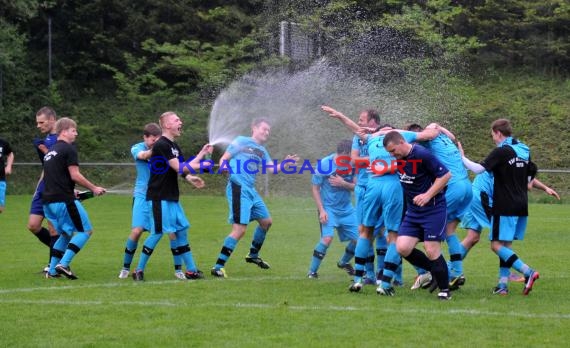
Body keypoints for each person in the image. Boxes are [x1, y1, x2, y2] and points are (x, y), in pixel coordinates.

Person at [459, 120, 551, 295]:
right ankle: (502, 286)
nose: (493, 139)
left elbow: (479, 169)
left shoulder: (502, 151)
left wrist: (461, 157)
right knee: (505, 246)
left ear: (498, 133)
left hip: (505, 204)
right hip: (521, 204)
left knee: (495, 245)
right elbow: (528, 179)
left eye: (493, 135)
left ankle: (528, 272)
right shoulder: (524, 150)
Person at [210, 118, 299, 278]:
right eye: (264, 129)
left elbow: (272, 169)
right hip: (238, 188)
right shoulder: (241, 141)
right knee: (239, 230)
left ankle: (252, 255)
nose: (266, 132)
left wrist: (284, 164)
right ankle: (218, 267)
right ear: (254, 128)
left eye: (268, 131)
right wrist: (224, 168)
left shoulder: (261, 150)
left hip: (251, 191)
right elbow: (224, 159)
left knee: (266, 222)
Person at [132, 111, 210, 281]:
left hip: (172, 197)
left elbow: (183, 168)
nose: (180, 122)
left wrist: (199, 160)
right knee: (157, 233)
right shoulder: (161, 144)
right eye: (177, 120)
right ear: (167, 125)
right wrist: (203, 164)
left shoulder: (174, 146)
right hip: (159, 197)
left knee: (181, 231)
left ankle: (191, 270)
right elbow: (179, 167)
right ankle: (138, 270)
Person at [383, 131, 452, 300]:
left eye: (393, 151)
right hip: (413, 212)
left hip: (433, 209)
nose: (392, 155)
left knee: (431, 248)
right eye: (389, 153)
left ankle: (445, 290)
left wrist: (428, 195)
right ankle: (434, 271)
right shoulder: (399, 159)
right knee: (402, 247)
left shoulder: (421, 154)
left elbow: (445, 175)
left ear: (401, 141)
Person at [42, 117, 106, 279]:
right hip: (63, 200)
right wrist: (94, 188)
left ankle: (52, 270)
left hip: (48, 202)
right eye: (73, 130)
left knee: (65, 234)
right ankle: (63, 264)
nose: (76, 133)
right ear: (64, 131)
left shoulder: (51, 151)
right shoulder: (68, 149)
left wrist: (73, 190)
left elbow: (54, 177)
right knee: (86, 231)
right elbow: (75, 175)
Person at [118, 123, 181, 279]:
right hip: (141, 196)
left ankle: (179, 270)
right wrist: (158, 148)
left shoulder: (164, 147)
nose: (155, 142)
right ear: (145, 137)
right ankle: (125, 268)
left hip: (160, 195)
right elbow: (143, 156)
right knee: (137, 231)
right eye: (152, 140)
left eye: (157, 139)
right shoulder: (137, 147)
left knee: (172, 232)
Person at [307, 139, 357, 279]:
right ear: (341, 153)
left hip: (347, 209)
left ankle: (343, 262)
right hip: (328, 208)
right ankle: (312, 272)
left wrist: (343, 184)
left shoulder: (353, 165)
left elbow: (356, 187)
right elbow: (315, 188)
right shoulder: (325, 164)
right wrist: (322, 210)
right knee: (327, 238)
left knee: (361, 240)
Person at [28, 107, 59, 266]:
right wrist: (37, 188)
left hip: (55, 188)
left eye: (41, 122)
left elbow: (59, 165)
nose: (38, 126)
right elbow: (46, 167)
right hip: (43, 187)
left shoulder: (61, 139)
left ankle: (52, 266)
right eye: (37, 123)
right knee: (33, 225)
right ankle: (60, 251)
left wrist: (44, 149)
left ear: (52, 119)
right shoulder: (45, 139)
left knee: (53, 229)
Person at [0, 137, 14, 213]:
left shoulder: (3, 142)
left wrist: (8, 166)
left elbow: (10, 154)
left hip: (0, 178)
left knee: (0, 208)